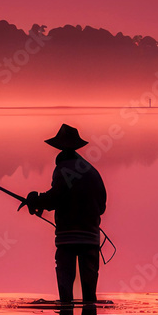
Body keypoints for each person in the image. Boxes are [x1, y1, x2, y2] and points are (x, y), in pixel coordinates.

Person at [24, 124, 106, 304]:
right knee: (89, 298)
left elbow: (54, 199)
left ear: (59, 148)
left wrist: (35, 200)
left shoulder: (62, 169)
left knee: (66, 294)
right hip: (91, 239)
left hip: (67, 240)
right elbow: (102, 207)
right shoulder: (92, 171)